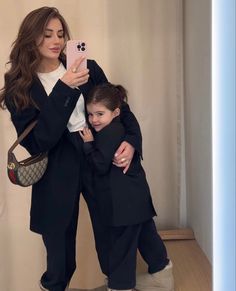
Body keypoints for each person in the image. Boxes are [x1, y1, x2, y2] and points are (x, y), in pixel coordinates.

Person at [0, 7, 142, 291]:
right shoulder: (19, 85)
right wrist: (64, 89)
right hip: (57, 166)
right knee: (60, 253)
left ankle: (120, 286)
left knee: (114, 228)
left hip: (98, 154)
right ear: (31, 39)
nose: (55, 41)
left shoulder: (84, 65)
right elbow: (38, 141)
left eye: (60, 34)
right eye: (47, 34)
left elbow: (119, 107)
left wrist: (133, 141)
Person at [79, 83, 174, 291]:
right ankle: (162, 275)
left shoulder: (107, 133)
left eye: (100, 114)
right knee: (147, 237)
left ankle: (121, 286)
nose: (94, 120)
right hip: (137, 200)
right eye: (91, 114)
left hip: (123, 206)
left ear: (116, 112)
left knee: (121, 247)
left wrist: (88, 144)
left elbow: (100, 165)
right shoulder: (120, 129)